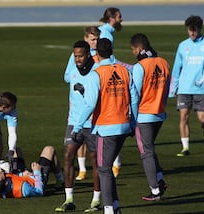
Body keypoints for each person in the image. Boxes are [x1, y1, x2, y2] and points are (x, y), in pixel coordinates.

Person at [74, 38, 138, 214]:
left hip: (106, 128)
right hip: (124, 127)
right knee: (107, 168)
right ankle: (115, 206)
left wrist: (77, 127)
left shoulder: (97, 74)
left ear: (96, 54)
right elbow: (134, 98)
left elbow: (90, 104)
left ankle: (109, 208)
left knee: (103, 169)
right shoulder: (125, 71)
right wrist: (133, 123)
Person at [55, 40, 101, 212]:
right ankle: (68, 200)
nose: (77, 59)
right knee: (68, 156)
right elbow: (71, 89)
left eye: (80, 56)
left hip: (93, 123)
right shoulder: (73, 70)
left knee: (96, 160)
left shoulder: (97, 71)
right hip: (74, 122)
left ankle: (96, 201)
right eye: (75, 56)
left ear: (88, 54)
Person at [169, 15, 204, 156]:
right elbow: (177, 68)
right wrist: (173, 88)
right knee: (183, 116)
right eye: (190, 30)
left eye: (194, 30)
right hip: (184, 88)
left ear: (200, 29)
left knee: (202, 120)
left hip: (200, 89)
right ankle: (185, 148)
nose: (192, 33)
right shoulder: (183, 46)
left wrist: (202, 81)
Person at [130, 33, 169, 201]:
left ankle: (155, 190)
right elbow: (167, 89)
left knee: (146, 152)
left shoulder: (140, 67)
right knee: (150, 148)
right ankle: (159, 180)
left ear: (139, 48)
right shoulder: (163, 62)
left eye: (133, 49)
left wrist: (132, 117)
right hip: (159, 114)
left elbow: (135, 94)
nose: (133, 52)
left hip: (144, 115)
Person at [98, 7, 132, 177]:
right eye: (119, 16)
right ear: (111, 17)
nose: (121, 19)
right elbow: (106, 58)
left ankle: (112, 163)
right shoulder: (106, 33)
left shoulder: (106, 31)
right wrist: (129, 68)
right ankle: (112, 164)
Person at [0, 146, 64, 198]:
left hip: (20, 177)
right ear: (6, 183)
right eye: (2, 174)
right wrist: (36, 172)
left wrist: (21, 174)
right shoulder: (23, 189)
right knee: (49, 149)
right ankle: (60, 180)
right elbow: (39, 192)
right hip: (35, 180)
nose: (0, 172)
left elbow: (6, 177)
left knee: (15, 150)